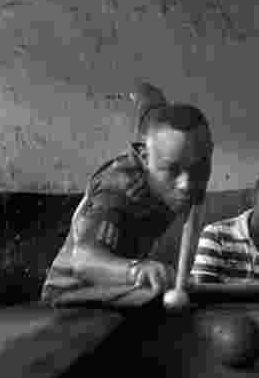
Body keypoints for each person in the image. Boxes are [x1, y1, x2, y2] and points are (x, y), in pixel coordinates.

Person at [41, 84, 214, 306]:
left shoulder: (169, 147)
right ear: (143, 156)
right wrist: (136, 270)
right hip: (72, 295)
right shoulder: (118, 189)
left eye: (200, 167)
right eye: (172, 170)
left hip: (122, 285)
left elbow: (151, 113)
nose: (187, 184)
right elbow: (83, 262)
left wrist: (148, 98)